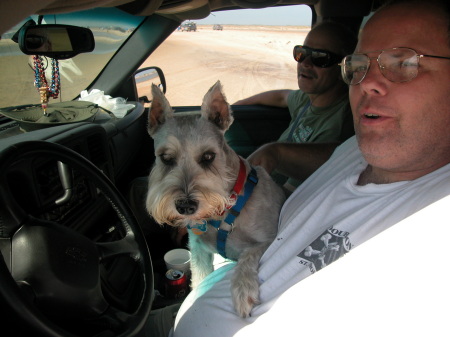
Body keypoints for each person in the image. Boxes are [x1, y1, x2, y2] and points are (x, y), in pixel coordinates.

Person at [170, 0, 450, 336]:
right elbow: (278, 97)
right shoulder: (354, 149)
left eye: (404, 63)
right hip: (210, 284)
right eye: (359, 65)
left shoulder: (435, 219)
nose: (367, 82)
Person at [233, 21, 357, 193]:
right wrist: (235, 107)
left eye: (320, 58)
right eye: (302, 53)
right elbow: (281, 96)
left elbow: (289, 194)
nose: (305, 63)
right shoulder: (308, 98)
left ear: (344, 68)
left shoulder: (336, 127)